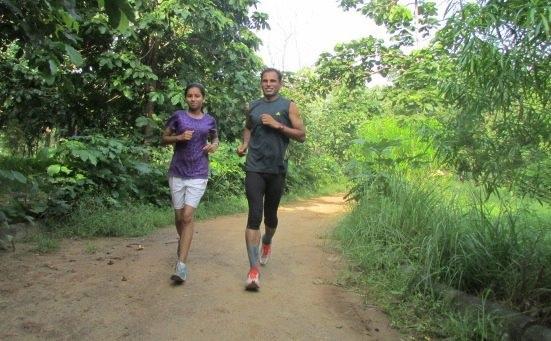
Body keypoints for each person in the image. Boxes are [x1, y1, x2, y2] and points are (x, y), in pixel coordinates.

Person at [236, 68, 306, 290]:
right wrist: (245, 144)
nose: (268, 84)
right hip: (254, 167)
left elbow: (302, 135)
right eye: (265, 81)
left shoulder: (288, 106)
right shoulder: (253, 106)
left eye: (273, 81)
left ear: (280, 84)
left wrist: (278, 125)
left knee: (271, 217)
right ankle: (253, 270)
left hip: (276, 169)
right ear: (261, 83)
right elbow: (248, 128)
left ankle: (267, 241)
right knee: (254, 215)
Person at [162, 83, 219, 283]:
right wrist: (179, 137)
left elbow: (215, 138)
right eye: (189, 96)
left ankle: (181, 266)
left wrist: (213, 146)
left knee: (187, 216)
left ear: (203, 98)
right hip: (177, 171)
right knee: (178, 217)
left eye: (197, 96)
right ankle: (183, 242)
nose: (193, 99)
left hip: (199, 172)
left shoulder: (210, 120)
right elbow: (164, 137)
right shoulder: (178, 117)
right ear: (186, 98)